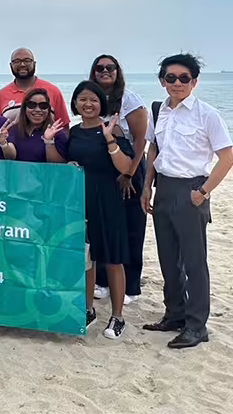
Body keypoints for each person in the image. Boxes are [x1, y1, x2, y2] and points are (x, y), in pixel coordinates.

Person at [141, 54, 233, 349]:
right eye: (171, 78)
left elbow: (227, 158)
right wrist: (146, 187)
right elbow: (152, 150)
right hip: (164, 189)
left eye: (184, 78)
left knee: (194, 262)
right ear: (162, 81)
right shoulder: (159, 112)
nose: (177, 83)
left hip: (191, 190)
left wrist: (203, 191)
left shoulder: (207, 115)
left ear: (194, 82)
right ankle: (175, 314)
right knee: (168, 260)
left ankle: (196, 325)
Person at [55, 81, 135, 339]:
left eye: (93, 100)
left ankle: (118, 316)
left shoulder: (114, 130)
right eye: (82, 100)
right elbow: (64, 162)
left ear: (101, 103)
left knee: (113, 259)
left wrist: (110, 138)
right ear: (75, 104)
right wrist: (58, 153)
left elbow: (125, 167)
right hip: (81, 200)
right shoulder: (74, 132)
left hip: (108, 200)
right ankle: (88, 309)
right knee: (87, 259)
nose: (88, 104)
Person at [89, 55, 149, 305]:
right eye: (99, 68)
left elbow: (139, 140)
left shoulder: (129, 100)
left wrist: (129, 174)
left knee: (132, 227)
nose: (105, 71)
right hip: (103, 168)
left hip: (130, 166)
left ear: (117, 71)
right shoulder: (92, 99)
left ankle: (131, 286)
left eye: (110, 68)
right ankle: (102, 281)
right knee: (105, 225)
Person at [0, 48, 70, 126]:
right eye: (17, 61)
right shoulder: (2, 94)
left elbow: (63, 126)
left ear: (34, 64)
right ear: (10, 65)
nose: (22, 65)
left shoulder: (53, 91)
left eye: (27, 61)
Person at [7, 88, 68, 163]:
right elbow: (9, 157)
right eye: (32, 105)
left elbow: (59, 164)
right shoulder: (15, 130)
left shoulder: (57, 133)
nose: (38, 110)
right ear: (24, 108)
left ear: (48, 109)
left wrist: (49, 141)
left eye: (43, 106)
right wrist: (3, 143)